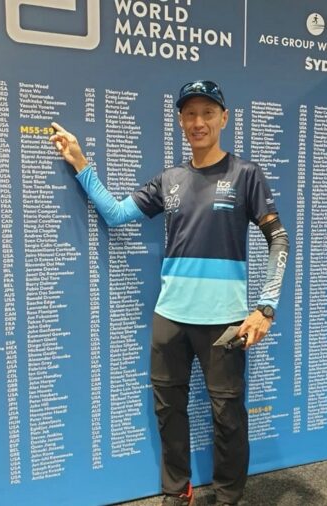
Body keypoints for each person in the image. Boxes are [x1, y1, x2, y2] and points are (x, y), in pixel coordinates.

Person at [50, 80, 289, 506]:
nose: (199, 122)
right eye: (190, 114)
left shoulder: (246, 174)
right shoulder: (170, 179)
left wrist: (265, 308)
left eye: (208, 113)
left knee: (228, 417)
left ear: (223, 118)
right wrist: (80, 162)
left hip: (225, 322)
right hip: (170, 318)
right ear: (180, 121)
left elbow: (279, 239)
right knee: (168, 411)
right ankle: (177, 492)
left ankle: (229, 497)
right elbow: (116, 214)